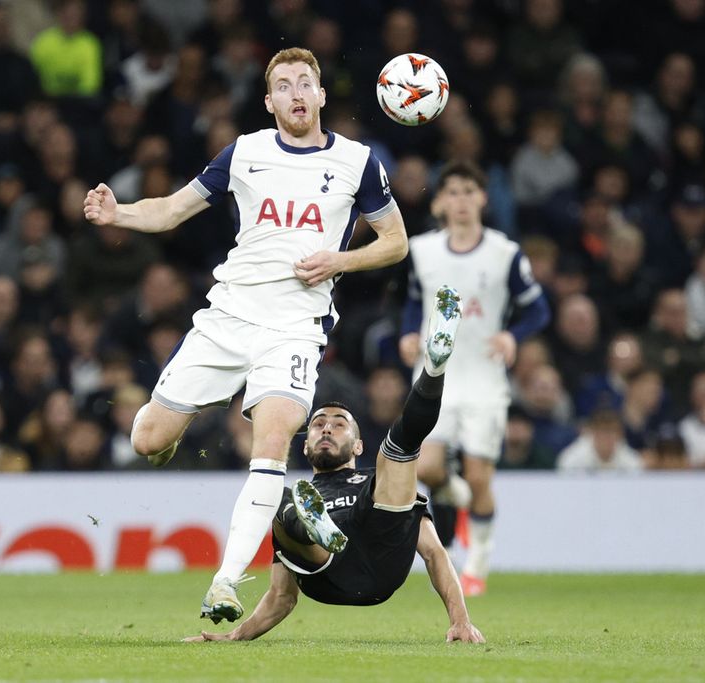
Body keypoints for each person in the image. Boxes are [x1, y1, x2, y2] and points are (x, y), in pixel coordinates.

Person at [84, 47, 407, 623]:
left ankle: (224, 584)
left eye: (305, 82)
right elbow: (173, 210)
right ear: (269, 101)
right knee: (147, 440)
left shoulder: (358, 162)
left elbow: (394, 242)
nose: (296, 93)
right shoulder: (245, 152)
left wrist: (339, 260)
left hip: (294, 329)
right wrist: (119, 214)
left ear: (322, 95)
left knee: (273, 445)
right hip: (227, 316)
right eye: (283, 85)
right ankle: (171, 440)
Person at [186, 287, 484, 643]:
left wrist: (460, 620)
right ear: (306, 444)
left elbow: (435, 553)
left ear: (357, 444)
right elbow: (282, 597)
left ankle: (433, 369)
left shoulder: (378, 482)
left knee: (397, 454)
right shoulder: (295, 499)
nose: (327, 426)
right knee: (276, 496)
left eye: (339, 423)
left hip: (381, 554)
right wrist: (236, 636)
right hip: (326, 569)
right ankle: (317, 531)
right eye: (317, 424)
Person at [398, 161, 550, 597]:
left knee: (480, 476)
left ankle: (478, 560)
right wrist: (411, 333)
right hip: (434, 375)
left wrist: (511, 334)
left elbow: (538, 309)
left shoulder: (504, 253)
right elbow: (414, 302)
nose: (461, 200)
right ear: (440, 201)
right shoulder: (422, 250)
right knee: (425, 466)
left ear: (483, 198)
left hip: (484, 378)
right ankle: (457, 496)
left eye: (469, 191)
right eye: (453, 192)